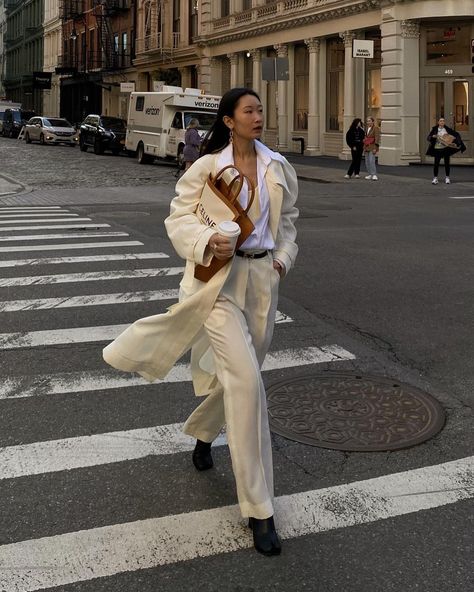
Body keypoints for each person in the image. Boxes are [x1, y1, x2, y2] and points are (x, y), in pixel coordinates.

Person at [102, 87, 299, 557]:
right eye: (249, 110)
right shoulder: (208, 166)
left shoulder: (278, 165)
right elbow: (178, 218)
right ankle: (259, 509)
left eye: (259, 110)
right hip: (217, 284)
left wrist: (282, 260)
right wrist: (209, 240)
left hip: (261, 282)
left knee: (239, 377)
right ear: (229, 120)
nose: (258, 116)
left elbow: (289, 220)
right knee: (248, 383)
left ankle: (203, 433)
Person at [426, 117, 466, 184]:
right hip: (437, 148)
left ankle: (447, 178)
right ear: (438, 122)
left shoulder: (447, 129)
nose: (442, 122)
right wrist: (433, 137)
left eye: (443, 121)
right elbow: (428, 137)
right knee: (436, 164)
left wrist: (456, 141)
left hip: (446, 149)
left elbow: (456, 134)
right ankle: (435, 178)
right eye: (441, 121)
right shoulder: (435, 129)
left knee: (447, 163)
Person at [363, 116, 380, 181]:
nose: (368, 122)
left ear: (373, 121)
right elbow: (365, 138)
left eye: (369, 121)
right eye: (367, 121)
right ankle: (370, 174)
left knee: (371, 161)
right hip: (367, 146)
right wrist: (364, 146)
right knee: (367, 161)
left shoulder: (375, 128)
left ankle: (374, 174)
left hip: (372, 147)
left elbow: (377, 138)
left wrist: (375, 148)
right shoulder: (366, 128)